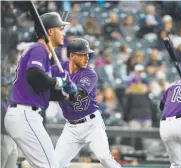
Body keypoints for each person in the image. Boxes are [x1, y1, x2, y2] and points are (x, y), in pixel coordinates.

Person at [4, 12, 71, 168]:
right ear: (50, 32)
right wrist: (59, 82)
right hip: (25, 115)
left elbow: (41, 89)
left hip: (25, 114)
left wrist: (65, 94)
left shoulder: (43, 53)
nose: (63, 33)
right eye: (60, 29)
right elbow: (35, 76)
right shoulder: (39, 49)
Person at [51, 38, 122, 168]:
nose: (86, 57)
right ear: (72, 55)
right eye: (82, 54)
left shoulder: (90, 73)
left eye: (87, 54)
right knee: (56, 163)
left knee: (104, 157)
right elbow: (41, 78)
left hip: (91, 124)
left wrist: (64, 88)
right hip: (71, 127)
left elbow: (78, 95)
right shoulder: (58, 69)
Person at [1, 77, 18, 168]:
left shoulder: (6, 101)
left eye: (7, 86)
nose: (7, 88)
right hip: (2, 137)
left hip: (11, 138)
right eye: (4, 86)